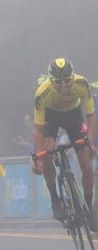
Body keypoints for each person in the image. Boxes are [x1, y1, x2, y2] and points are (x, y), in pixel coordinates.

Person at [33, 58, 97, 229]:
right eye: (58, 83)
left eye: (66, 81)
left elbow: (91, 115)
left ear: (72, 76)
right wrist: (39, 158)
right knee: (47, 152)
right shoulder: (42, 93)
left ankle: (89, 208)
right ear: (51, 81)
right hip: (51, 116)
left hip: (74, 116)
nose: (63, 87)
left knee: (86, 165)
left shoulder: (82, 84)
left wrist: (89, 142)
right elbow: (38, 130)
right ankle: (55, 197)